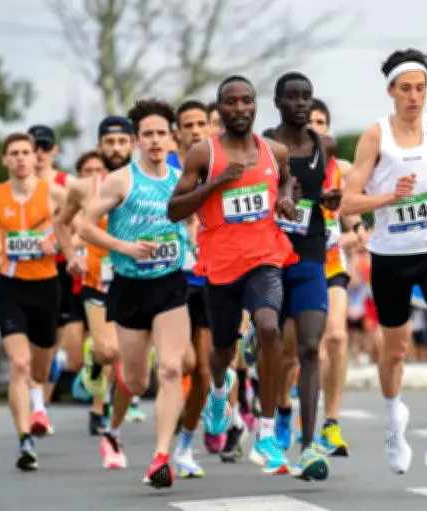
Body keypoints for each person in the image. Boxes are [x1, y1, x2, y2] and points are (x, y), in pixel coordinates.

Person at [341, 48, 427, 475]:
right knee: (395, 351)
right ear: (391, 91)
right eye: (405, 89)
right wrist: (388, 197)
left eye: (421, 88)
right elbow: (348, 201)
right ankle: (393, 418)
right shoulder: (375, 136)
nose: (414, 96)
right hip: (391, 258)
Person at [167, 75, 299, 475]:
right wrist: (216, 184)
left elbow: (285, 180)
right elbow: (174, 210)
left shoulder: (274, 151)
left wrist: (286, 201)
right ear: (219, 109)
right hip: (221, 266)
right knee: (222, 352)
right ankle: (219, 391)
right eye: (230, 102)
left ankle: (267, 435)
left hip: (265, 257)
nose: (239, 108)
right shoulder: (202, 154)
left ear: (256, 105)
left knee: (269, 328)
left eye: (246, 101)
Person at [78, 99, 193, 488]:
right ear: (136, 140)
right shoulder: (120, 180)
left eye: (162, 133)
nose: (155, 141)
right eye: (148, 134)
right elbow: (85, 226)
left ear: (172, 139)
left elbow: (194, 219)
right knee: (137, 380)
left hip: (170, 283)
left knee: (172, 368)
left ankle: (161, 457)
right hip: (129, 287)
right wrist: (124, 247)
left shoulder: (182, 179)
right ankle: (112, 430)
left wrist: (195, 242)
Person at [0, 132, 68, 471]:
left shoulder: (54, 193)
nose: (21, 158)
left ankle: (39, 401)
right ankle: (25, 440)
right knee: (19, 364)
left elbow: (76, 228)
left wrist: (57, 245)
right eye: (14, 153)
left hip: (47, 287)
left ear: (35, 157)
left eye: (26, 152)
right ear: (5, 159)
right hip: (11, 288)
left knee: (39, 370)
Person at [262, 73, 339, 480]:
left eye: (306, 97)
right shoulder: (262, 144)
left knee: (310, 347)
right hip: (269, 257)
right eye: (292, 97)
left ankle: (308, 446)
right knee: (275, 346)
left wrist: (327, 199)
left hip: (309, 255)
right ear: (277, 101)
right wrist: (279, 199)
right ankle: (274, 416)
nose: (300, 103)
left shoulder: (324, 146)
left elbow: (325, 192)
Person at [56, 117, 140, 468]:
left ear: (133, 144)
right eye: (110, 142)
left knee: (133, 367)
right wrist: (71, 256)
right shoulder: (82, 187)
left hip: (139, 280)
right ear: (99, 147)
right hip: (98, 281)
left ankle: (112, 420)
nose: (116, 149)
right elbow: (61, 223)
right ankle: (95, 362)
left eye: (122, 142)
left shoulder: (147, 181)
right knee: (108, 350)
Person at [307, 97, 368, 456]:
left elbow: (348, 207)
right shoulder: (284, 165)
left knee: (337, 337)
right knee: (300, 350)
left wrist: (357, 227)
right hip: (295, 263)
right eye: (309, 121)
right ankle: (284, 413)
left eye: (321, 122)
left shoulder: (340, 168)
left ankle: (330, 423)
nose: (315, 128)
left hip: (330, 263)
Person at [170, 99, 217, 475]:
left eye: (202, 123)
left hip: (210, 276)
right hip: (173, 276)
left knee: (203, 370)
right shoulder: (166, 170)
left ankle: (185, 444)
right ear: (178, 133)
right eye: (188, 125)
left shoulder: (220, 166)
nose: (196, 130)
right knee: (182, 362)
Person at [27, 124, 83, 433]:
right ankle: (38, 409)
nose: (38, 153)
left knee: (55, 345)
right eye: (33, 147)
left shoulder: (67, 184)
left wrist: (61, 245)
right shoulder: (15, 186)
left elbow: (82, 226)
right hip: (26, 270)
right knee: (31, 343)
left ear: (55, 151)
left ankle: (43, 402)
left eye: (44, 147)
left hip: (60, 269)